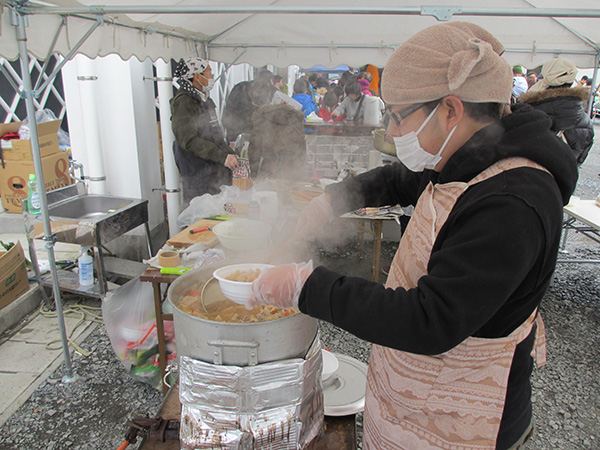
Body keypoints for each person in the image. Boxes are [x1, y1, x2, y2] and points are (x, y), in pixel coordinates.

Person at [250, 22, 578, 450]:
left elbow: (429, 320)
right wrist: (331, 201)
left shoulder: (513, 203)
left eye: (398, 116)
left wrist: (306, 286)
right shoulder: (471, 152)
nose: (390, 131)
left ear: (450, 110)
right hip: (417, 396)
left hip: (465, 421)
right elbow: (402, 180)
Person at [170, 57, 239, 205]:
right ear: (196, 76)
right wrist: (222, 157)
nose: (212, 77)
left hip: (213, 169)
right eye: (209, 73)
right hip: (197, 171)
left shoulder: (204, 99)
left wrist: (230, 154)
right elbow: (188, 140)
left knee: (220, 208)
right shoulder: (184, 102)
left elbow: (216, 135)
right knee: (202, 212)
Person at [519, 57, 595, 165]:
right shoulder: (586, 121)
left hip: (529, 177)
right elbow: (580, 158)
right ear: (572, 80)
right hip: (565, 179)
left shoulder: (529, 112)